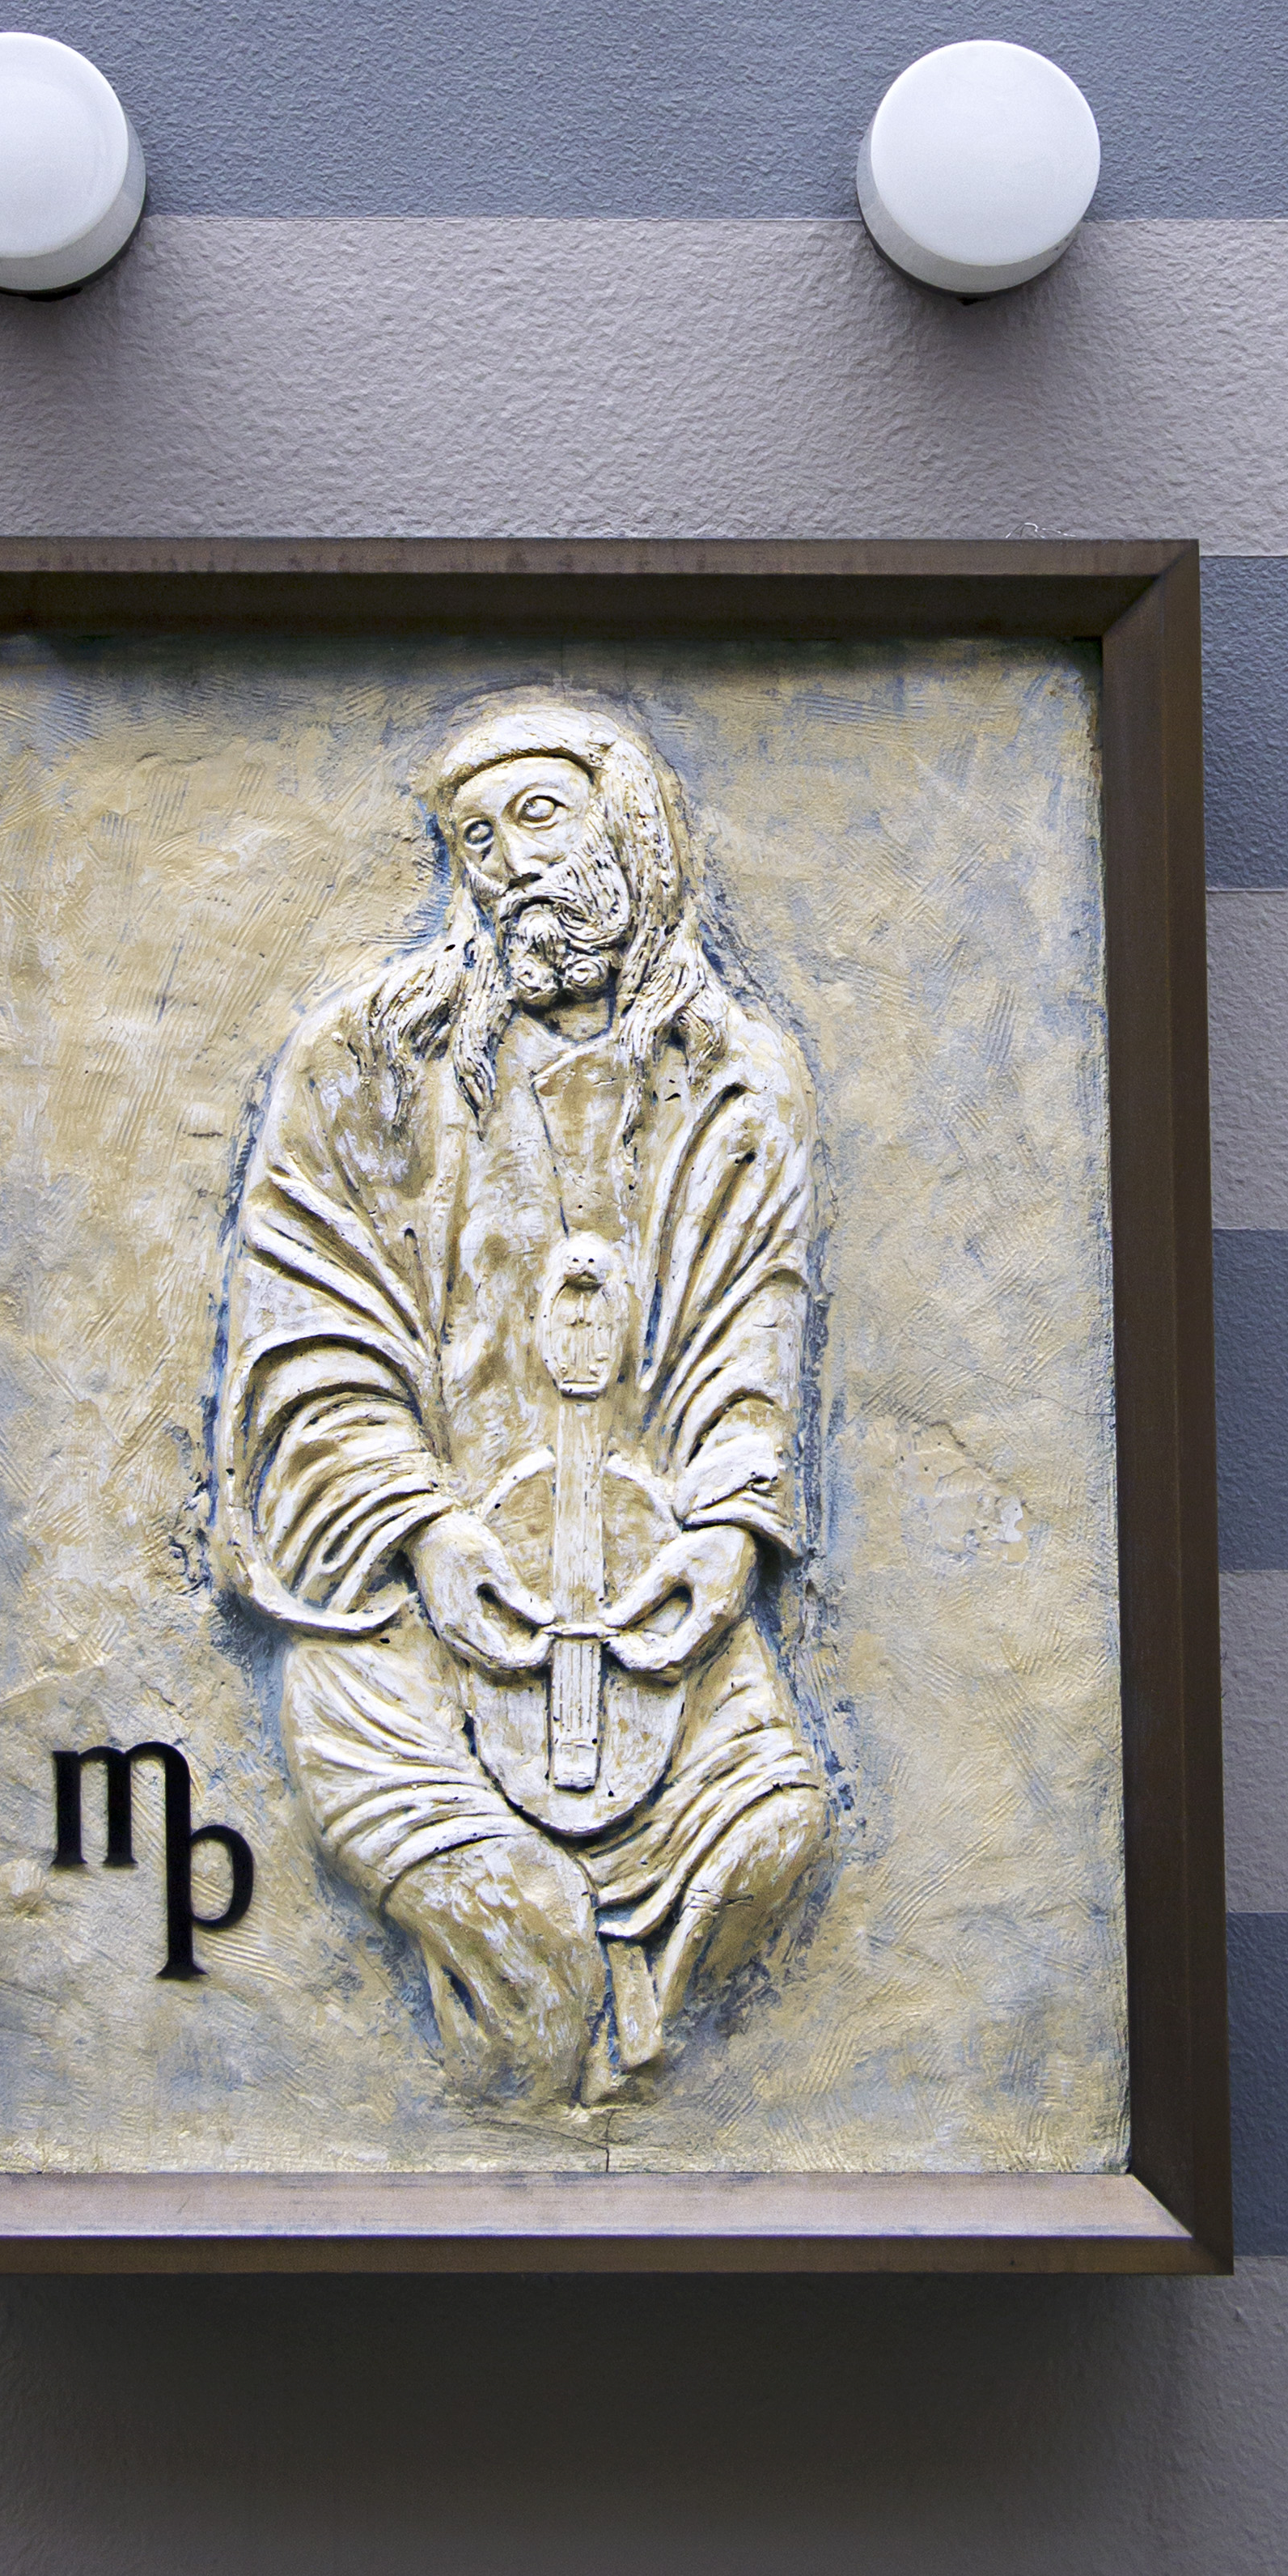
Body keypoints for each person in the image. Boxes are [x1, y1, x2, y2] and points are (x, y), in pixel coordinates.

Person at [215, 697, 830, 2105]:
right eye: (476, 840)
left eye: (540, 817)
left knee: (772, 1841)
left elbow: (752, 1330)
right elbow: (308, 1341)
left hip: (646, 1630)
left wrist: (724, 1538)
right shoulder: (367, 1063)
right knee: (529, 1945)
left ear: (633, 832)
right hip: (398, 1630)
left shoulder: (735, 1076)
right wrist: (427, 1532)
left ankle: (616, 2107)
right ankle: (526, 2123)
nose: (509, 864)